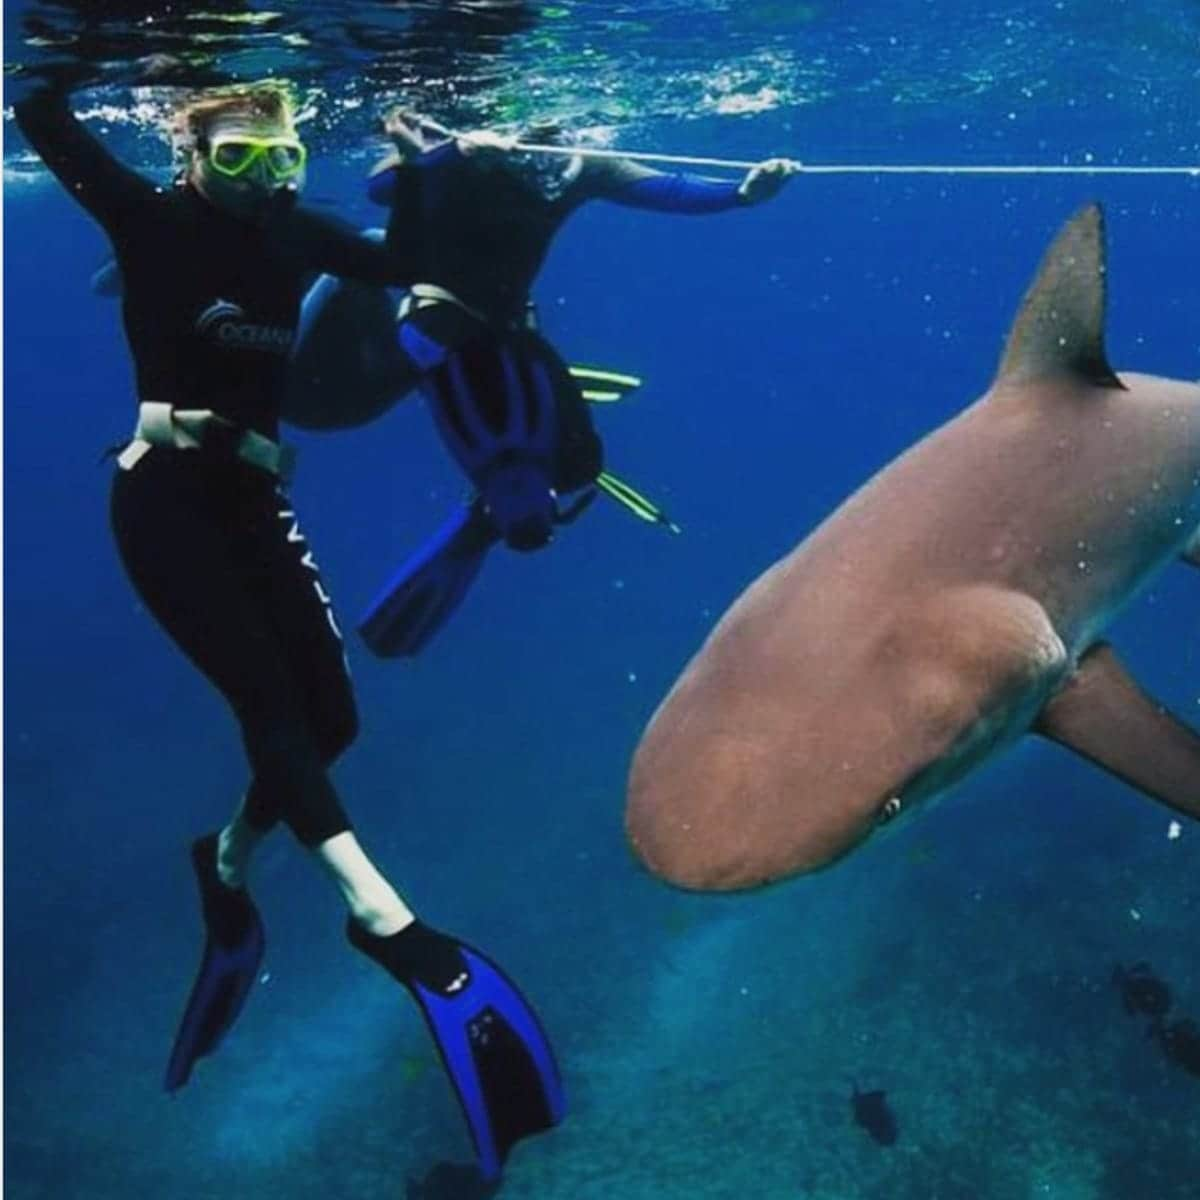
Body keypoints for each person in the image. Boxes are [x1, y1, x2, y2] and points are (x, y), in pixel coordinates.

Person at [13, 68, 564, 1183]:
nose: (265, 177)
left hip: (259, 501)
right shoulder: (147, 219)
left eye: (282, 157)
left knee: (335, 720)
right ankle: (387, 920)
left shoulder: (295, 232)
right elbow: (38, 113)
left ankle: (225, 861)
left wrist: (418, 171)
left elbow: (401, 264)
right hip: (164, 501)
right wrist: (87, 47)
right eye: (239, 158)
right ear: (190, 159)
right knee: (272, 708)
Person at [289, 110, 798, 657]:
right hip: (429, 322)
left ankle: (493, 513)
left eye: (551, 167)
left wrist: (742, 193)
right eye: (529, 162)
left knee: (576, 464)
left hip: (501, 332)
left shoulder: (583, 166)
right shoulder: (469, 149)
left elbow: (666, 188)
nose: (542, 177)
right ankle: (494, 500)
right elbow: (382, 186)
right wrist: (450, 156)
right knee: (402, 304)